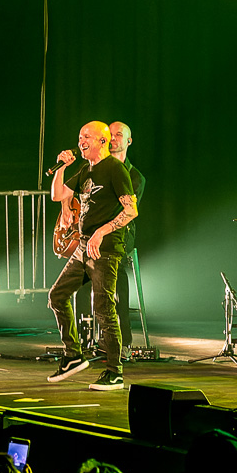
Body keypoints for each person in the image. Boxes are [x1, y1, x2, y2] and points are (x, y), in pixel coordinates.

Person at [46, 120, 139, 391]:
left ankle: (115, 371)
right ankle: (73, 356)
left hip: (106, 250)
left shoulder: (115, 169)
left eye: (86, 136)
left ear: (102, 141)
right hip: (83, 247)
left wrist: (102, 232)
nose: (81, 141)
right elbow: (57, 194)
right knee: (57, 296)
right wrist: (62, 167)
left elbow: (131, 210)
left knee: (103, 308)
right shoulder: (87, 170)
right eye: (79, 136)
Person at [107, 121, 147, 348]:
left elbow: (126, 213)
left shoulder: (135, 177)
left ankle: (123, 341)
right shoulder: (97, 169)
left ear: (128, 141)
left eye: (118, 135)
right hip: (97, 236)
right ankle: (84, 336)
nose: (113, 139)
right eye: (109, 135)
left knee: (115, 268)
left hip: (120, 235)